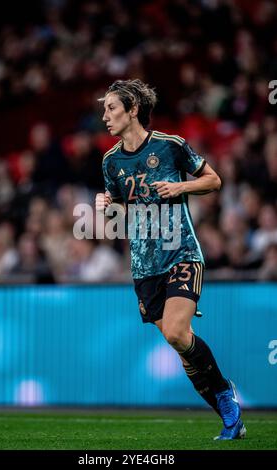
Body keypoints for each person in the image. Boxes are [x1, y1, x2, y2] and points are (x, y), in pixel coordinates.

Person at [95, 79, 246, 440]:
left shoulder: (170, 146)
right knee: (181, 345)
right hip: (144, 266)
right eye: (104, 110)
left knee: (178, 333)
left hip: (181, 253)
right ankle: (230, 418)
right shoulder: (111, 161)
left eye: (111, 108)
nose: (105, 116)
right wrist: (107, 206)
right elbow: (124, 211)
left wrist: (180, 187)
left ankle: (225, 395)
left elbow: (214, 180)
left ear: (133, 110)